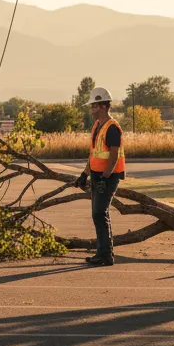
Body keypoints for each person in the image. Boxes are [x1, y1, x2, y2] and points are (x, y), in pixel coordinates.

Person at [75, 86, 124, 266]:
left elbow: (113, 156)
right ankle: (102, 253)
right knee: (97, 214)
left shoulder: (112, 128)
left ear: (103, 106)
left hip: (108, 177)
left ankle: (106, 255)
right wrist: (84, 174)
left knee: (100, 213)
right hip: (97, 176)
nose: (91, 109)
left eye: (94, 106)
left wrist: (104, 177)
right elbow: (94, 153)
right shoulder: (97, 126)